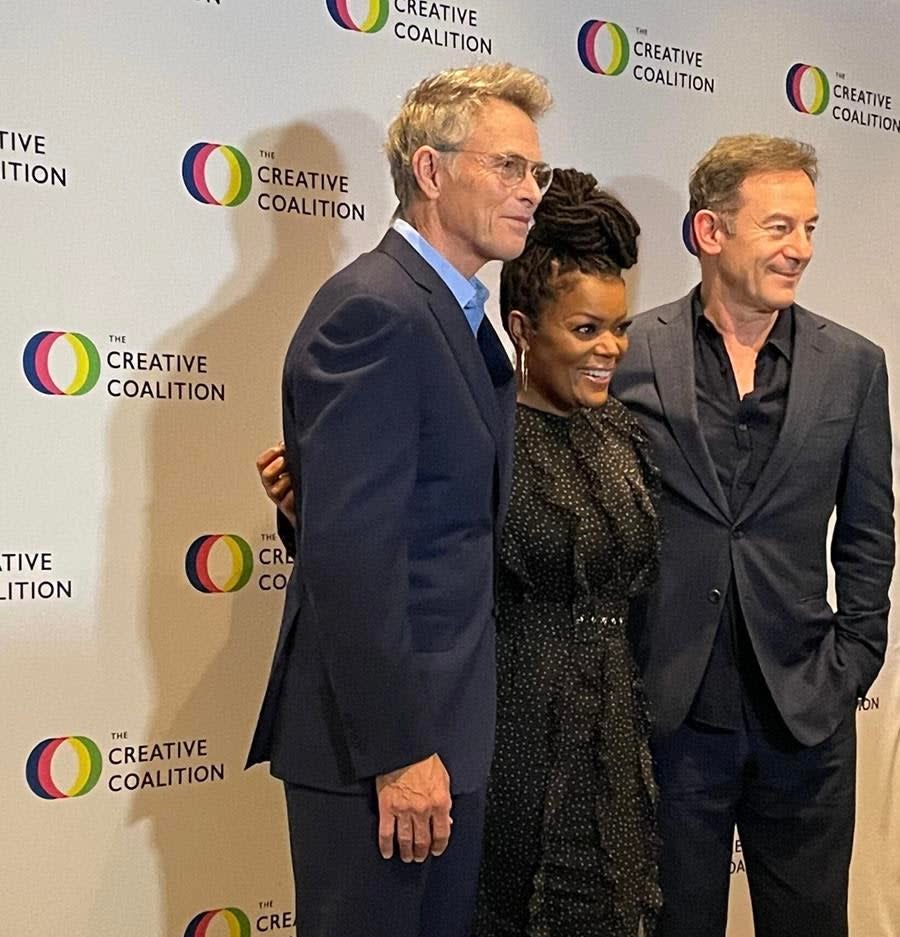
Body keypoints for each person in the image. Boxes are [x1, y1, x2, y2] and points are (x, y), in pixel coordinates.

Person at [260, 168, 664, 937]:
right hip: (504, 738)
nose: (609, 348)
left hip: (609, 750)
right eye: (586, 329)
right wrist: (310, 514)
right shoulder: (467, 404)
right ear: (523, 325)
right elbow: (396, 553)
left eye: (620, 329)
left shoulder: (627, 436)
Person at [246, 63, 553, 937]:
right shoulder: (376, 311)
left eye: (536, 172)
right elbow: (355, 558)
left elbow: (404, 519)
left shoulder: (450, 313)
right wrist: (401, 751)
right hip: (380, 752)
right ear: (430, 170)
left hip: (439, 731)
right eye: (508, 167)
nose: (530, 191)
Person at [612, 135, 894, 937]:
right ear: (710, 232)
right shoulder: (629, 352)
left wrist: (850, 662)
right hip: (671, 718)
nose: (800, 249)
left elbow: (870, 532)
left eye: (809, 228)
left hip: (805, 716)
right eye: (779, 227)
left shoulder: (855, 365)